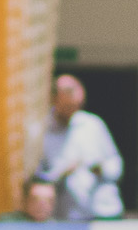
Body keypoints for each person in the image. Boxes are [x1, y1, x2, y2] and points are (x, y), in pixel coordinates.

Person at [39, 74, 123, 220]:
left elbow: (116, 165)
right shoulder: (41, 131)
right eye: (68, 106)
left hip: (103, 210)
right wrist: (60, 174)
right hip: (67, 217)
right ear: (54, 100)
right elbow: (36, 179)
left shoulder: (93, 125)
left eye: (76, 106)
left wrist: (102, 169)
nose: (73, 111)